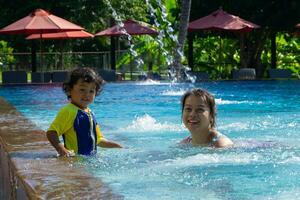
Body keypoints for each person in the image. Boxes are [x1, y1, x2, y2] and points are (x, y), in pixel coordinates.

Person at [46, 67, 122, 157]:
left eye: (91, 91)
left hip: (88, 161)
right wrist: (62, 150)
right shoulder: (68, 111)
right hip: (75, 162)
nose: (87, 95)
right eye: (82, 90)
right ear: (70, 90)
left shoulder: (90, 113)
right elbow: (51, 133)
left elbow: (99, 140)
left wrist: (118, 147)